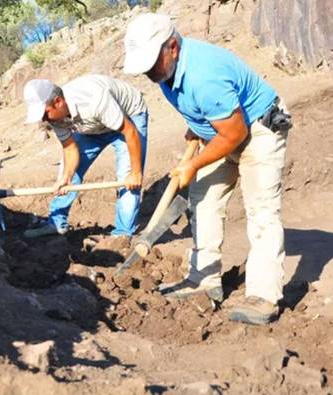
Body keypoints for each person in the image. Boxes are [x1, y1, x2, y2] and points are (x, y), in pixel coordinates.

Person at [123, 13, 292, 325]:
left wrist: (192, 164)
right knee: (202, 198)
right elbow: (203, 111)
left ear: (172, 47)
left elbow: (235, 133)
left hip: (258, 130)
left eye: (151, 64)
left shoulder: (204, 74)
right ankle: (204, 278)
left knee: (262, 211)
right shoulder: (166, 73)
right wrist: (197, 128)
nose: (148, 72)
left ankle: (264, 296)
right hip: (226, 131)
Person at [22, 75, 148, 238]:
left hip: (128, 118)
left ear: (59, 102)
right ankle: (56, 222)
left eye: (45, 114)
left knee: (128, 177)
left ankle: (122, 234)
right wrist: (66, 176)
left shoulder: (94, 100)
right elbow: (69, 148)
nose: (44, 120)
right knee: (69, 175)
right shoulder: (55, 117)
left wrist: (136, 172)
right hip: (92, 127)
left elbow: (130, 132)